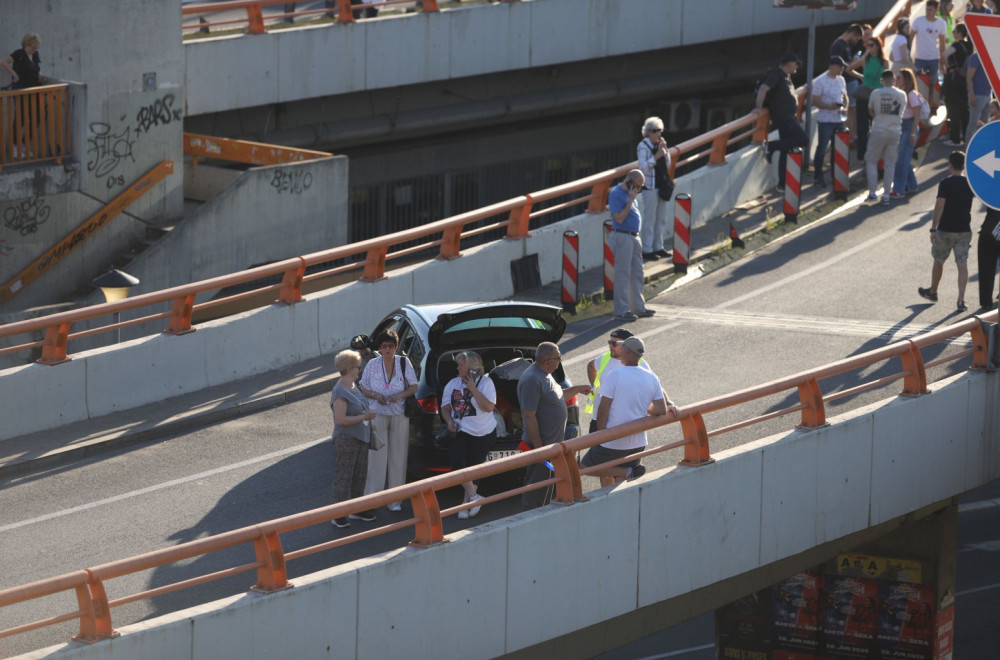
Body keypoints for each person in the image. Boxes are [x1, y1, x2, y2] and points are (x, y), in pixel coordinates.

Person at [584, 337, 677, 486]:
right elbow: (661, 409)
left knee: (584, 467)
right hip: (638, 442)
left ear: (627, 352)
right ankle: (626, 475)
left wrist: (601, 435)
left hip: (614, 441)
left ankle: (627, 472)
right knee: (621, 481)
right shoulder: (652, 377)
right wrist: (642, 407)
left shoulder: (615, 375)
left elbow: (603, 409)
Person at [517, 342, 591, 509]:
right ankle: (533, 520)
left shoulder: (545, 374)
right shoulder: (532, 379)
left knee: (547, 491)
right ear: (547, 361)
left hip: (551, 447)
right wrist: (539, 451)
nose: (560, 361)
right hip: (540, 447)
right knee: (536, 494)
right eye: (558, 358)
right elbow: (529, 416)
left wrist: (577, 389)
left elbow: (557, 396)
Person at [358, 329, 417, 512]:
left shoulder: (404, 362)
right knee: (376, 458)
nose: (387, 349)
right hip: (377, 414)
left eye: (391, 346)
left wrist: (400, 395)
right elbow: (363, 387)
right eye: (384, 346)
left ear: (396, 347)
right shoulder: (372, 364)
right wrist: (377, 396)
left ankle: (395, 501)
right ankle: (372, 500)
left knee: (398, 458)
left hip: (399, 414)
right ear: (380, 348)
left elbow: (414, 387)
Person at [439, 351, 497, 519]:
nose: (458, 367)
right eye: (458, 364)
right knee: (457, 463)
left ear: (472, 367)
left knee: (474, 466)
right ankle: (474, 497)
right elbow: (445, 408)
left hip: (484, 431)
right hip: (461, 430)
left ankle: (466, 504)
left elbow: (489, 407)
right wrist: (449, 421)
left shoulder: (486, 383)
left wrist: (473, 389)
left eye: (461, 365)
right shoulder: (452, 384)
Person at [917, 151, 975, 311]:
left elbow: (939, 206)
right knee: (962, 263)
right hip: (964, 229)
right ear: (964, 166)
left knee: (939, 261)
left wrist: (933, 228)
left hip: (946, 230)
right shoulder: (970, 184)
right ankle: (961, 300)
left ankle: (933, 291)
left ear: (950, 165)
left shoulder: (945, 183)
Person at [330, 350, 378, 529]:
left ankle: (357, 509)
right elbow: (340, 420)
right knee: (344, 476)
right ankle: (338, 515)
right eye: (358, 367)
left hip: (361, 436)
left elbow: (360, 408)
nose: (360, 369)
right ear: (349, 369)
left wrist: (368, 421)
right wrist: (364, 417)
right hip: (347, 438)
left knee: (360, 475)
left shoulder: (352, 385)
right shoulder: (339, 391)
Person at [608, 169, 655, 322]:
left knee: (637, 272)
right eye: (638, 186)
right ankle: (621, 310)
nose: (639, 190)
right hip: (622, 236)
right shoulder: (616, 194)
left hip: (633, 236)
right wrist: (630, 200)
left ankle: (638, 308)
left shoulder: (631, 194)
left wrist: (631, 197)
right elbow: (619, 218)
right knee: (623, 274)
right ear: (629, 182)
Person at [584, 328, 654, 432]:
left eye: (614, 344)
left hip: (622, 421)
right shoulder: (605, 358)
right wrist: (594, 387)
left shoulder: (640, 364)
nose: (610, 346)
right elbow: (591, 366)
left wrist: (668, 403)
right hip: (598, 418)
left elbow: (655, 385)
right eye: (609, 342)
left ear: (627, 346)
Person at [758, 52, 808, 192]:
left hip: (788, 116)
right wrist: (758, 108)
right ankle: (771, 146)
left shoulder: (786, 76)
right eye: (796, 63)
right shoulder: (777, 75)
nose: (797, 66)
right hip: (783, 117)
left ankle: (782, 184)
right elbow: (763, 89)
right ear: (789, 63)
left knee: (786, 150)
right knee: (803, 140)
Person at [865, 71, 906, 205]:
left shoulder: (875, 93)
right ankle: (887, 194)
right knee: (890, 163)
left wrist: (879, 117)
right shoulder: (902, 94)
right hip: (895, 131)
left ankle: (872, 193)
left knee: (871, 160)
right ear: (894, 80)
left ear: (882, 80)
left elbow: (870, 110)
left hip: (878, 130)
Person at [636, 116, 672, 262]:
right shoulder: (642, 146)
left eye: (659, 130)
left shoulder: (660, 144)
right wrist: (656, 157)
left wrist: (665, 150)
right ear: (648, 132)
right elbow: (642, 167)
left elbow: (668, 164)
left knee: (661, 218)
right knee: (649, 219)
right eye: (655, 131)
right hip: (650, 187)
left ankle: (658, 247)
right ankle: (647, 249)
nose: (658, 133)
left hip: (661, 185)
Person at [811, 56, 849, 186]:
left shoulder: (841, 80)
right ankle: (818, 176)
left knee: (838, 148)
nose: (841, 69)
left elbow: (845, 96)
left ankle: (836, 175)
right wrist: (829, 107)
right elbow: (815, 100)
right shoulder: (820, 82)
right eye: (840, 67)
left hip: (839, 119)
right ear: (832, 67)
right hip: (825, 120)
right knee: (822, 148)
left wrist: (845, 107)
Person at [848, 35, 887, 159]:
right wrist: (861, 77)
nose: (869, 48)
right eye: (867, 45)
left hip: (879, 96)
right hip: (864, 96)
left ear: (878, 46)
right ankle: (862, 154)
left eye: (871, 45)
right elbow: (849, 69)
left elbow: (887, 78)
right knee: (862, 126)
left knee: (878, 125)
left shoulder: (884, 62)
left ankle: (876, 152)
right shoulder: (865, 60)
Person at [890, 68, 923, 198]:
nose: (896, 80)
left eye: (899, 78)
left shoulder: (912, 95)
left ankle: (899, 190)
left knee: (901, 160)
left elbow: (916, 116)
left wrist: (913, 133)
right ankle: (911, 185)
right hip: (900, 126)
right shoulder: (900, 93)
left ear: (906, 80)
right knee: (903, 158)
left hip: (909, 127)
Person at [830, 25, 864, 138]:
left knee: (851, 110)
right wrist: (854, 64)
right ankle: (851, 136)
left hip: (848, 81)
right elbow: (840, 65)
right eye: (857, 38)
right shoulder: (839, 45)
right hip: (845, 81)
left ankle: (852, 135)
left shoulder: (844, 45)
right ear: (853, 34)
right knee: (848, 111)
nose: (856, 41)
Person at [942, 23, 972, 146]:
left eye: (954, 31)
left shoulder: (956, 45)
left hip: (954, 80)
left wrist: (947, 68)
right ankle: (966, 137)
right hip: (965, 81)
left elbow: (944, 55)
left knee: (953, 110)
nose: (953, 33)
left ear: (959, 33)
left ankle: (955, 139)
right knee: (964, 110)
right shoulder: (969, 46)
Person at [911, 0, 947, 102]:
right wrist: (909, 55)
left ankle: (931, 104)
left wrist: (943, 62)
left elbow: (942, 44)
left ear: (936, 10)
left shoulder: (941, 23)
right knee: (917, 82)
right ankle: (917, 103)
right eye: (926, 9)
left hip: (934, 58)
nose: (928, 12)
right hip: (919, 58)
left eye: (930, 9)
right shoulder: (918, 21)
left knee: (933, 83)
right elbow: (910, 38)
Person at [964, 47, 992, 145]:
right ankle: (968, 147)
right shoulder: (976, 57)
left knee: (984, 122)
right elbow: (969, 77)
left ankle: (981, 145)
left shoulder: (990, 56)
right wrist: (972, 95)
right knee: (973, 123)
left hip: (988, 94)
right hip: (977, 94)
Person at [977, 208, 1000, 313]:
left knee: (986, 268)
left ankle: (986, 302)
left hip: (988, 229)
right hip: (989, 231)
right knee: (986, 267)